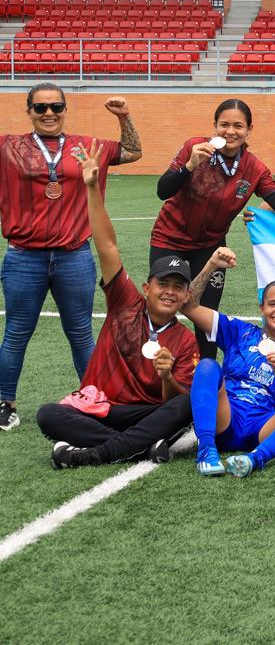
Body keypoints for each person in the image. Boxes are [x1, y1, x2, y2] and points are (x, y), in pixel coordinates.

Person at [36, 142, 195, 468]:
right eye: (163, 284)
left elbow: (173, 399)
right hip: (102, 406)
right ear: (146, 287)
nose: (169, 292)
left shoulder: (185, 339)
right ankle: (144, 444)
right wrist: (92, 188)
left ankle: (94, 453)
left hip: (145, 410)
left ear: (185, 297)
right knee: (49, 414)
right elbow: (106, 244)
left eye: (178, 288)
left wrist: (167, 377)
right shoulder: (125, 303)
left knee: (186, 405)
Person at [0, 85, 142, 433]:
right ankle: (5, 403)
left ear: (65, 109)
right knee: (17, 332)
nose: (49, 113)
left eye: (56, 106)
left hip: (73, 256)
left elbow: (133, 151)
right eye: (41, 107)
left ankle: (92, 395)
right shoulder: (7, 147)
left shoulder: (86, 146)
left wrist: (124, 116)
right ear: (29, 110)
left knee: (80, 333)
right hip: (24, 257)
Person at [152, 99, 275, 358]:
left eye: (238, 126)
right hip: (170, 240)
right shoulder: (194, 148)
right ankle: (153, 368)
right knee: (161, 310)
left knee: (206, 315)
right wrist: (189, 167)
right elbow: (163, 190)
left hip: (210, 248)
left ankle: (205, 372)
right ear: (215, 126)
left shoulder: (253, 167)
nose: (231, 131)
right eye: (224, 125)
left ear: (249, 129)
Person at [180, 249, 275, 477]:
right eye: (272, 304)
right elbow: (187, 306)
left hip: (262, 424)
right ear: (261, 308)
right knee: (207, 365)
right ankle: (206, 449)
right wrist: (211, 265)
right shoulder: (238, 330)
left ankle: (254, 459)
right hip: (227, 417)